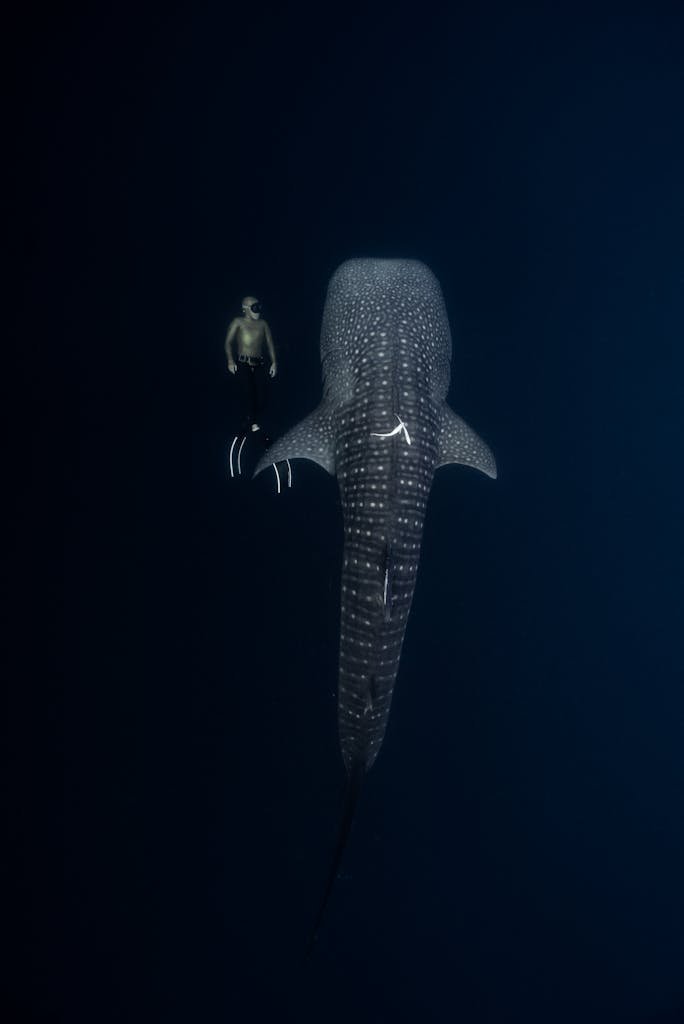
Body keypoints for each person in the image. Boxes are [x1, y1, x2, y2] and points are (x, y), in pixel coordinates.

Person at [225, 297, 278, 478]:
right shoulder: (238, 322)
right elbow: (228, 342)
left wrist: (274, 362)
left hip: (260, 365)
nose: (258, 310)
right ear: (246, 309)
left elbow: (269, 343)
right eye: (255, 307)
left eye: (259, 307)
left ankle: (253, 424)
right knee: (249, 398)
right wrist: (230, 360)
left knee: (262, 399)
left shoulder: (263, 324)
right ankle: (249, 426)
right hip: (243, 365)